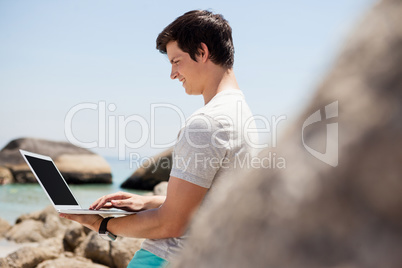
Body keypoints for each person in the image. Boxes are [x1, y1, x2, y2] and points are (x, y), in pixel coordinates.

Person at [60, 10, 258, 267]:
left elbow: (172, 223)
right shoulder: (244, 116)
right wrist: (146, 202)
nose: (173, 74)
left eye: (176, 61)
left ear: (202, 52)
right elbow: (212, 202)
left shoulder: (206, 123)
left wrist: (102, 224)